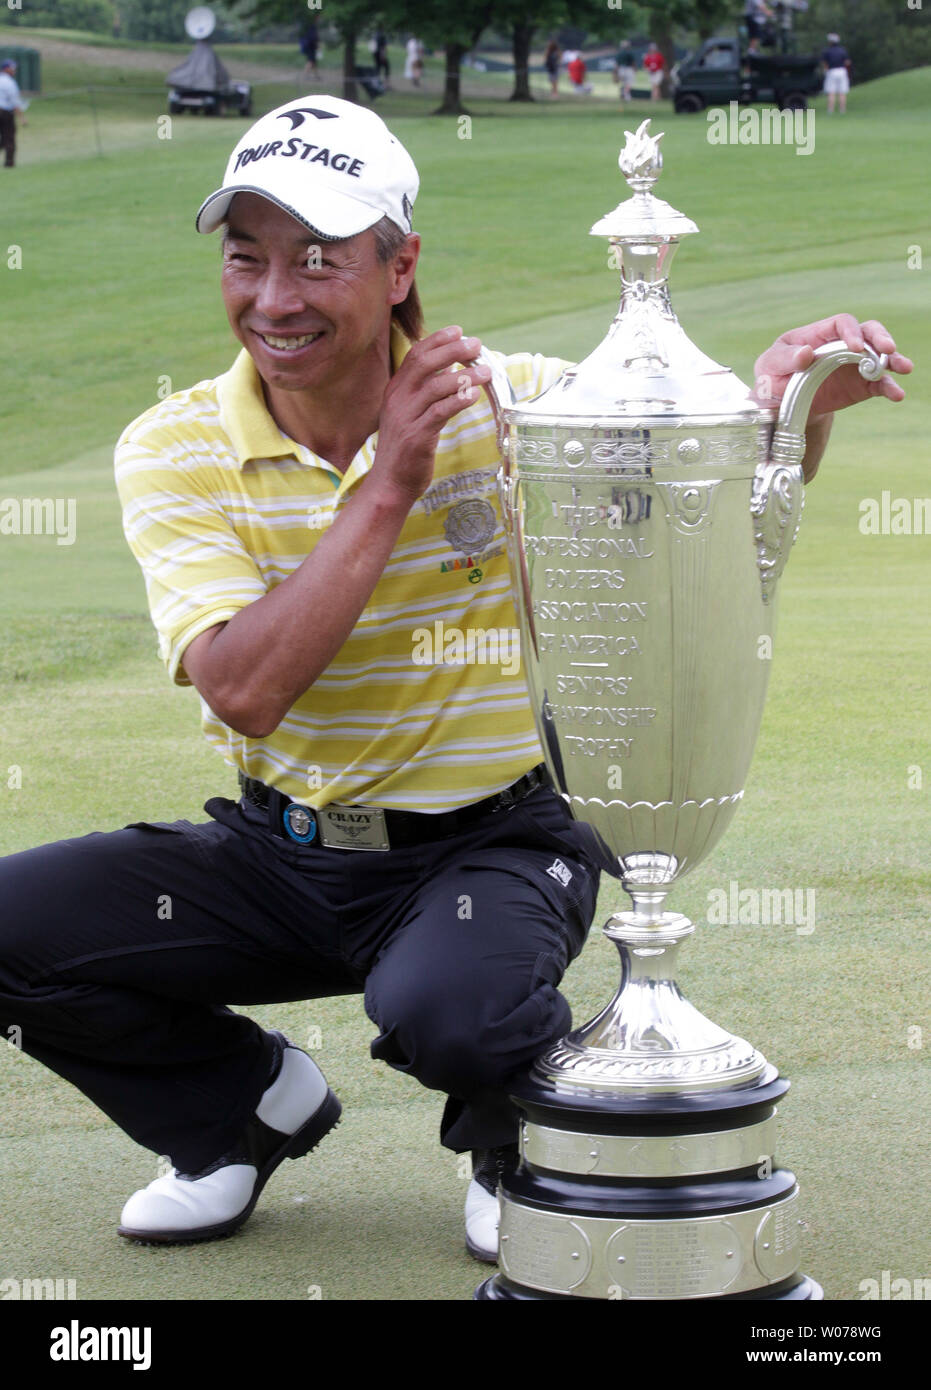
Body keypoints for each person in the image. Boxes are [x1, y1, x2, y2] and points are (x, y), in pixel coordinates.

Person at [0, 96, 911, 1268]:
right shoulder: (171, 444)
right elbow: (242, 689)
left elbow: (693, 544)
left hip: (489, 844)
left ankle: (507, 1141)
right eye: (248, 257)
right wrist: (392, 479)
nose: (275, 298)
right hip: (281, 853)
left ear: (399, 265)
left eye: (319, 259)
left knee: (449, 1007)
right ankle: (231, 1110)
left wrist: (789, 423)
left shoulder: (514, 400)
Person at [0, 57, 26, 169]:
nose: (14, 71)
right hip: (5, 112)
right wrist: (22, 118)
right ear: (5, 69)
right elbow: (15, 102)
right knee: (9, 137)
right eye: (12, 69)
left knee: (5, 139)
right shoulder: (10, 83)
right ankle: (9, 163)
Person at [822, 32, 851, 114]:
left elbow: (825, 63)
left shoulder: (827, 51)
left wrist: (825, 71)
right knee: (842, 92)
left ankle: (830, 111)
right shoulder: (842, 50)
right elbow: (847, 62)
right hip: (842, 71)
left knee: (831, 92)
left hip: (832, 71)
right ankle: (842, 110)